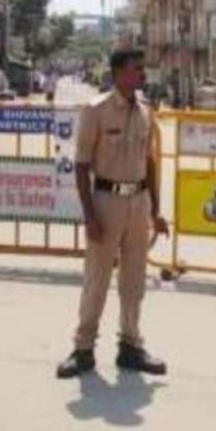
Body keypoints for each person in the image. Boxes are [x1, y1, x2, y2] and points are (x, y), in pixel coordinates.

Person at [56, 47, 169, 379]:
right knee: (97, 279)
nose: (143, 75)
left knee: (135, 281)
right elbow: (80, 166)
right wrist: (89, 215)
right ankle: (83, 348)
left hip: (139, 202)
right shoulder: (97, 111)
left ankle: (131, 346)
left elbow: (149, 161)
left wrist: (156, 210)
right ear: (118, 73)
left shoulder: (146, 111)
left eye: (143, 69)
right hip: (106, 202)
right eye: (137, 69)